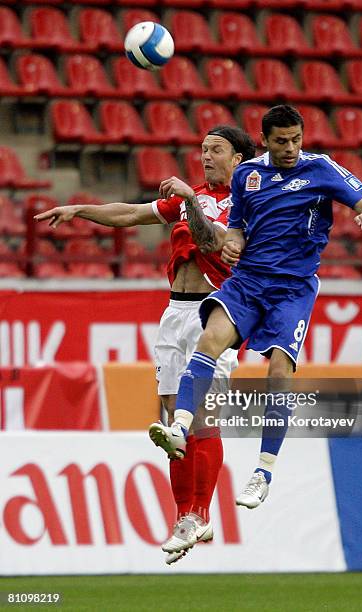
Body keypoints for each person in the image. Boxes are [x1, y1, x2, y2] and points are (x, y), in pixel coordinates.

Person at [148, 105, 362, 531]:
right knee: (210, 340)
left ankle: (263, 471)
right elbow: (236, 226)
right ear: (265, 140)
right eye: (281, 141)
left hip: (292, 288)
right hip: (249, 281)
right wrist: (234, 241)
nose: (291, 148)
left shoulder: (322, 169)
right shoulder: (247, 176)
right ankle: (180, 427)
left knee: (278, 372)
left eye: (296, 139)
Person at [34, 125, 257, 564]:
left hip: (218, 314)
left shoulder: (249, 203)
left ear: (239, 160)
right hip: (175, 313)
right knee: (174, 423)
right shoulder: (190, 194)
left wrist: (190, 203)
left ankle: (202, 512)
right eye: (203, 149)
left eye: (217, 150)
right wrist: (81, 208)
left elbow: (215, 242)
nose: (206, 156)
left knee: (203, 419)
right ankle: (183, 517)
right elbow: (130, 214)